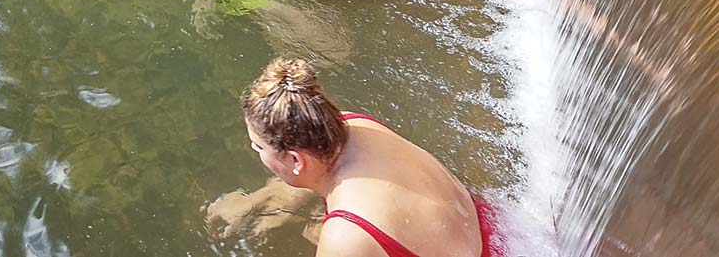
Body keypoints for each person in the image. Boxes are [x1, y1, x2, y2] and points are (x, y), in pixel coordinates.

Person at [207, 57, 504, 256]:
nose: (256, 152)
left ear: (295, 160)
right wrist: (255, 202)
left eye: (258, 147)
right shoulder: (353, 125)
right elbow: (322, 177)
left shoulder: (346, 238)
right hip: (498, 229)